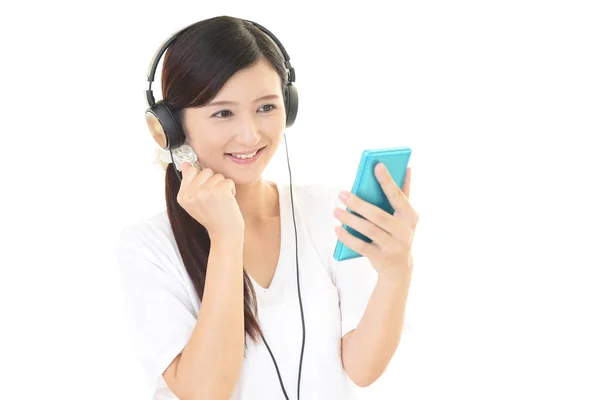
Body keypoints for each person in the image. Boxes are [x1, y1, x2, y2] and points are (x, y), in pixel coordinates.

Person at [114, 15, 418, 400]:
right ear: (171, 127)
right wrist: (227, 237)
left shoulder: (326, 210)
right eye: (223, 112)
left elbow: (361, 368)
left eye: (266, 107)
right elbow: (205, 393)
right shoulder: (148, 247)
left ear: (287, 107)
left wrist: (396, 272)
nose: (251, 134)